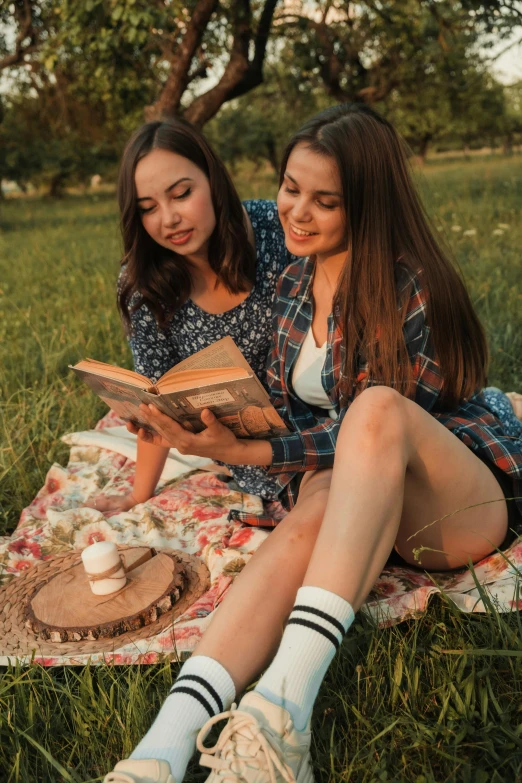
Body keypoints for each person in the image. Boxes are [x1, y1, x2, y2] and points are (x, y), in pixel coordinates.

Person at [104, 104, 522, 783]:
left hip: (453, 508)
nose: (294, 212)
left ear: (367, 202)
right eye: (291, 188)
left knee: (374, 412)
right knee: (318, 498)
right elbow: (305, 422)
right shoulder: (294, 283)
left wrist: (252, 455)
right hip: (359, 508)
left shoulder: (410, 283)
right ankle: (161, 746)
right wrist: (225, 431)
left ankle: (279, 713)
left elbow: (377, 430)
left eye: (323, 200)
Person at [86, 118, 298, 515]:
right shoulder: (143, 283)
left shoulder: (275, 229)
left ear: (213, 180)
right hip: (251, 462)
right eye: (148, 208)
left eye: (181, 194)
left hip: (325, 434)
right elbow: (156, 397)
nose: (168, 219)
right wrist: (137, 496)